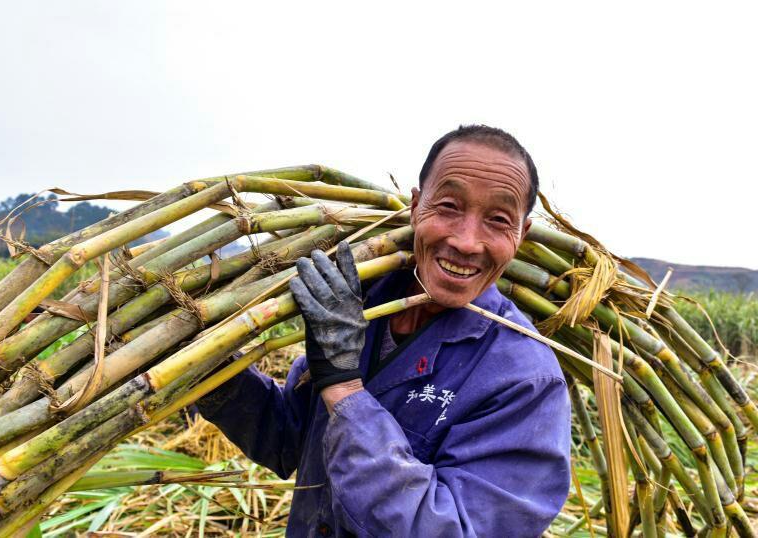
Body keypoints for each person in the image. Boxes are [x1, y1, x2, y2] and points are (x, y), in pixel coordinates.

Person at [198, 125, 571, 537]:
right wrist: (207, 368)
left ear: (522, 235)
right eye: (448, 206)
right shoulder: (359, 306)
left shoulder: (525, 379)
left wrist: (344, 390)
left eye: (498, 220)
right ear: (415, 206)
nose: (466, 241)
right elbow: (290, 440)